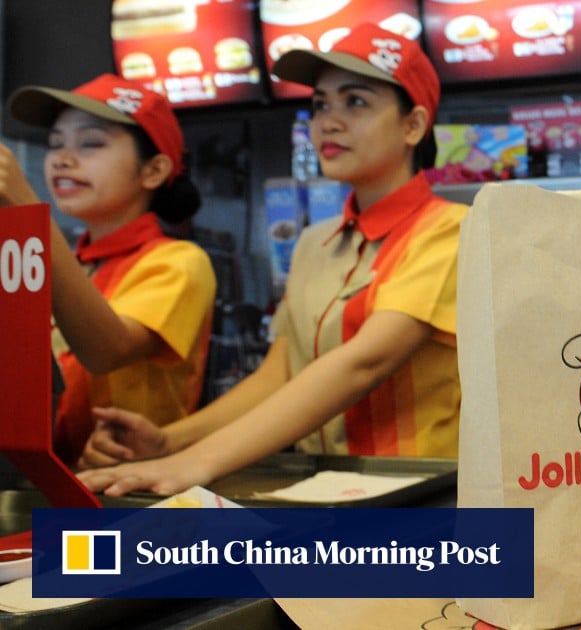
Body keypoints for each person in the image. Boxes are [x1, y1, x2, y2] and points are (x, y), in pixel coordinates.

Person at [76, 23, 466, 496]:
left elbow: (364, 363)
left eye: (356, 101)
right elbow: (280, 373)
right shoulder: (315, 242)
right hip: (323, 493)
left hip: (425, 497)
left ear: (414, 125)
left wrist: (192, 464)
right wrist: (169, 442)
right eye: (321, 104)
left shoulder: (452, 231)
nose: (329, 121)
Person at [0, 74, 215, 466]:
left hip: (137, 490)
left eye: (91, 143)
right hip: (55, 480)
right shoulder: (76, 264)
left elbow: (106, 350)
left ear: (153, 171)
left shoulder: (178, 262)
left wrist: (28, 214)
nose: (63, 158)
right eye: (55, 144)